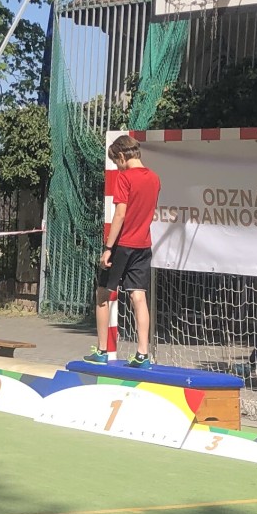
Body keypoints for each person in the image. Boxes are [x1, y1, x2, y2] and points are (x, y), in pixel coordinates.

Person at [90, 133, 160, 366]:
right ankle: (143, 354)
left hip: (123, 245)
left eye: (116, 162)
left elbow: (120, 214)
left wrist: (108, 248)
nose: (117, 167)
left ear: (121, 156)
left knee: (103, 293)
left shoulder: (125, 178)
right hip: (144, 245)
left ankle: (102, 351)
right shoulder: (154, 178)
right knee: (138, 296)